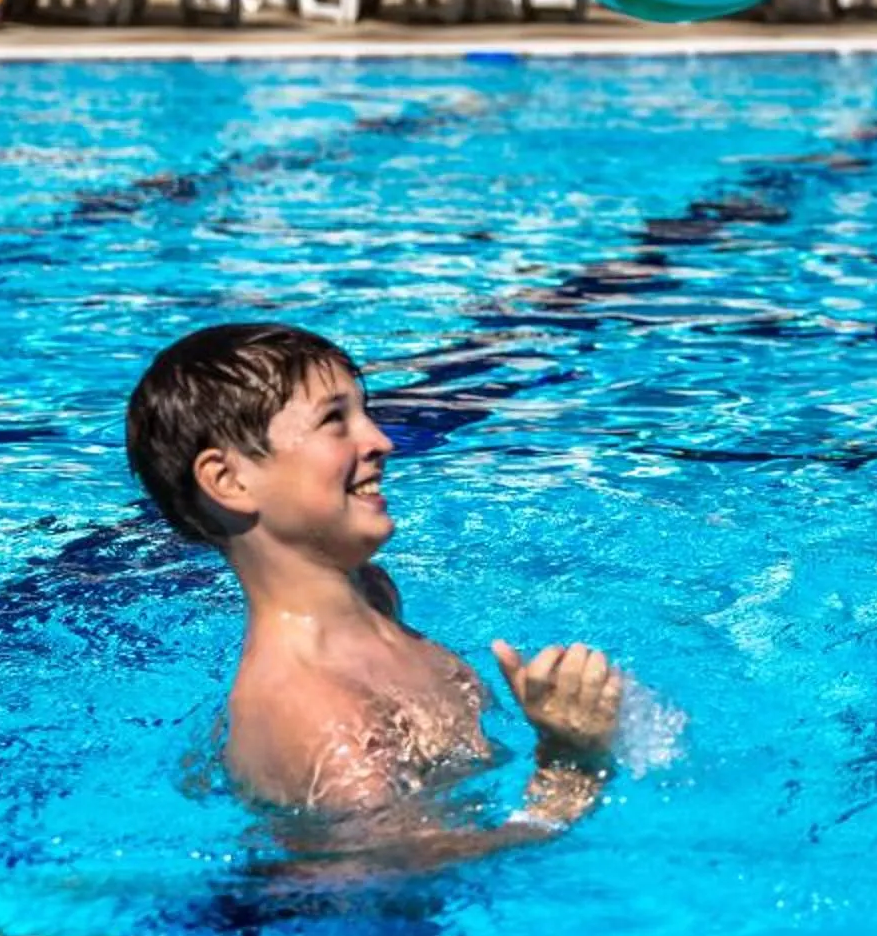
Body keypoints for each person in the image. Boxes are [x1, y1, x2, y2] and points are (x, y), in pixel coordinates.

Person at [126, 324, 624, 854]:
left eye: (364, 413)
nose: (381, 441)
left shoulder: (372, 596)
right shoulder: (321, 714)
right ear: (229, 481)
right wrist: (570, 765)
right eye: (334, 421)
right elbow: (407, 869)